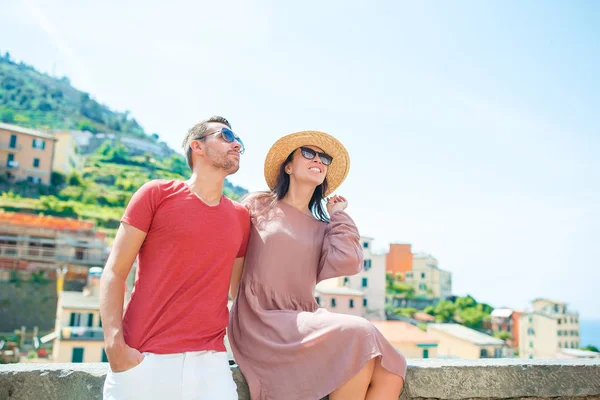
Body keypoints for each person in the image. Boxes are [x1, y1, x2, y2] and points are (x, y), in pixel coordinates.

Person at [228, 130, 407, 400]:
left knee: (391, 369)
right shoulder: (259, 204)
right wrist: (237, 303)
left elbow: (349, 263)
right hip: (259, 319)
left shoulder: (323, 228)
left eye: (325, 158)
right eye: (309, 153)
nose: (319, 160)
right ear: (288, 166)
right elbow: (232, 256)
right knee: (360, 334)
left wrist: (338, 215)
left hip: (303, 319)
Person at [100, 116, 250, 400]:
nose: (237, 145)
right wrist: (114, 346)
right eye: (227, 136)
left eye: (239, 141)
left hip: (212, 366)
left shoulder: (241, 217)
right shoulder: (156, 194)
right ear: (198, 146)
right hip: (144, 359)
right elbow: (115, 272)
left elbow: (239, 293)